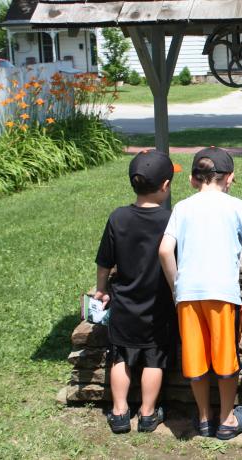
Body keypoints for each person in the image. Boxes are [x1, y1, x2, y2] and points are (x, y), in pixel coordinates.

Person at [158, 146, 242, 440]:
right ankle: (226, 420)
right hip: (222, 295)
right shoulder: (235, 206)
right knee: (225, 360)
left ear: (193, 179)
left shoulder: (182, 207)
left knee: (196, 360)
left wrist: (176, 288)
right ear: (230, 178)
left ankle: (203, 418)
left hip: (188, 295)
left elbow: (164, 250)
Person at [94, 149, 177, 434]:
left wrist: (101, 289)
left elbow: (104, 261)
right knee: (154, 358)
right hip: (159, 305)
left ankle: (119, 412)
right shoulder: (170, 220)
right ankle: (147, 413)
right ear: (165, 186)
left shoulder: (118, 217)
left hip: (125, 303)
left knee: (120, 357)